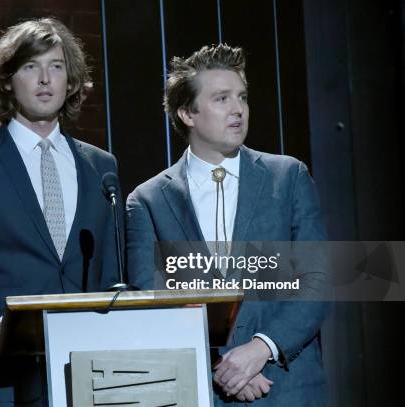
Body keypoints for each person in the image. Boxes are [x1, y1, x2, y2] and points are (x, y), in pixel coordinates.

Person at [0, 18, 122, 406]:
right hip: (3, 380)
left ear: (71, 80)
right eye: (31, 67)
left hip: (89, 375)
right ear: (8, 81)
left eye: (57, 66)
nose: (45, 79)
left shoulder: (101, 167)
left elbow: (112, 275)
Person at [126, 44, 328, 405]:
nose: (238, 110)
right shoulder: (148, 201)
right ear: (188, 112)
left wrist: (261, 348)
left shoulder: (288, 176)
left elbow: (319, 280)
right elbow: (151, 304)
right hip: (202, 390)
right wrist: (223, 364)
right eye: (222, 99)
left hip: (286, 386)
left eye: (243, 97)